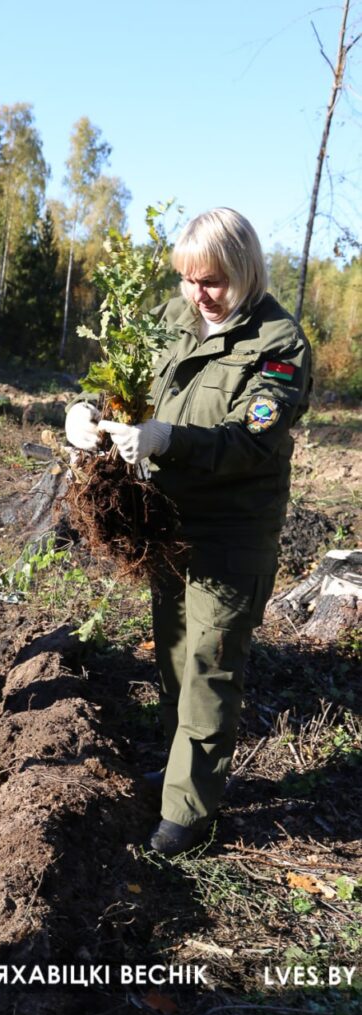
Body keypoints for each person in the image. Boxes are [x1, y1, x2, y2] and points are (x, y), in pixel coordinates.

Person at [65, 208, 312, 855]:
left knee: (210, 664)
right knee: (176, 653)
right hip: (168, 522)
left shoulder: (278, 345)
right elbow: (125, 383)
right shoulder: (174, 318)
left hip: (232, 531)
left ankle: (189, 811)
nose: (198, 295)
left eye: (212, 282)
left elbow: (251, 441)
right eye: (188, 280)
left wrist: (168, 439)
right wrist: (87, 412)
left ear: (245, 271)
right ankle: (184, 770)